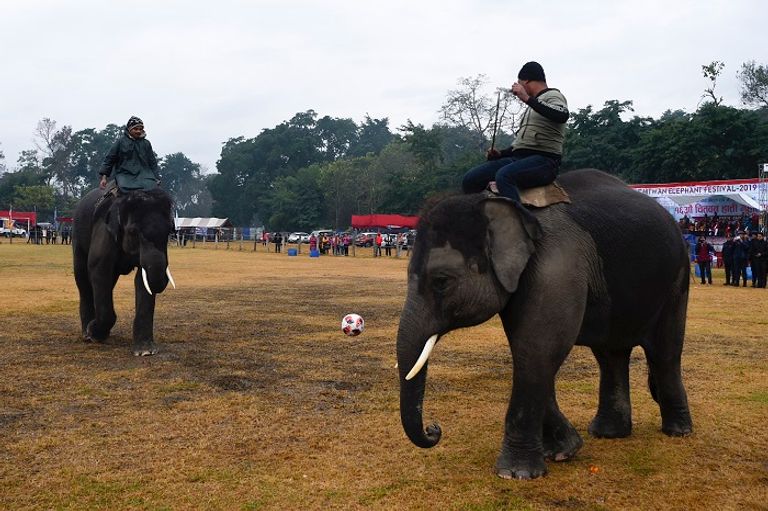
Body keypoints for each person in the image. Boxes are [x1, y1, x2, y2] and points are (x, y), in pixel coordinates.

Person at [462, 61, 568, 201]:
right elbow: (523, 146)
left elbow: (562, 115)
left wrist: (526, 97)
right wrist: (501, 154)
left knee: (504, 176)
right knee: (470, 179)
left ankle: (521, 220)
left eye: (519, 83)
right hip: (519, 159)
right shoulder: (533, 106)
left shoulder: (553, 95)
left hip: (545, 161)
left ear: (527, 81)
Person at [99, 116, 161, 192]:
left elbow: (152, 163)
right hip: (125, 175)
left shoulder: (146, 143)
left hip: (145, 176)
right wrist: (104, 178)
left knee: (155, 191)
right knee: (124, 191)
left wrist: (157, 178)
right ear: (129, 129)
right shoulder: (120, 142)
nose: (138, 131)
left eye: (140, 129)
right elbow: (109, 159)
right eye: (135, 129)